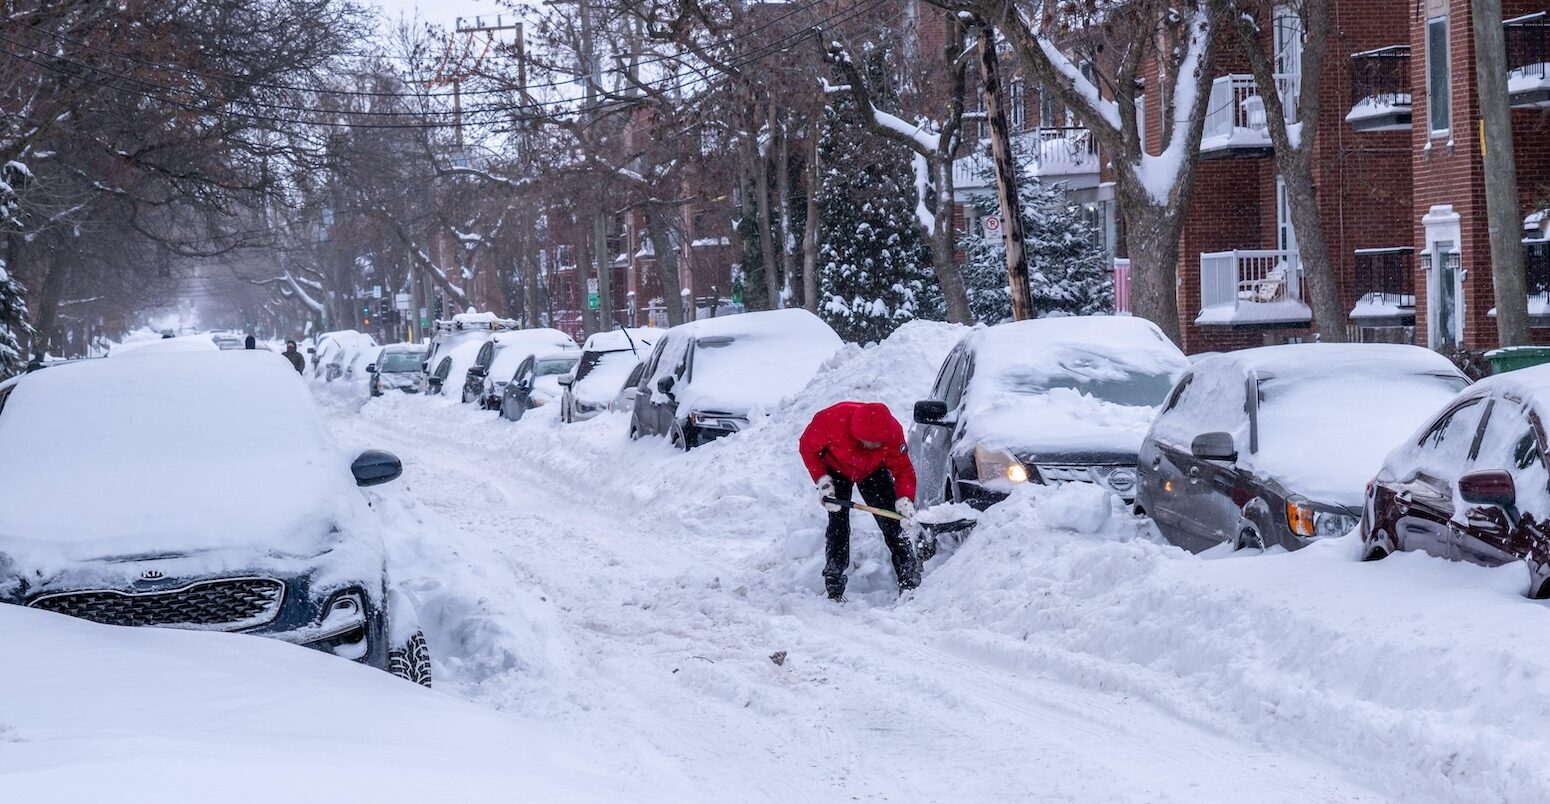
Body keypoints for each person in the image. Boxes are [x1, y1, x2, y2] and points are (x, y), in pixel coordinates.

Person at [798, 401, 921, 601]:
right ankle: (834, 585)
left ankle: (909, 584)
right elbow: (807, 448)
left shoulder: (892, 432)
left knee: (894, 525)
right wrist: (823, 481)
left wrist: (905, 500)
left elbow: (903, 469)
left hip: (873, 471)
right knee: (838, 524)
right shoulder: (829, 421)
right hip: (836, 469)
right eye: (867, 442)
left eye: (877, 443)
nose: (872, 446)